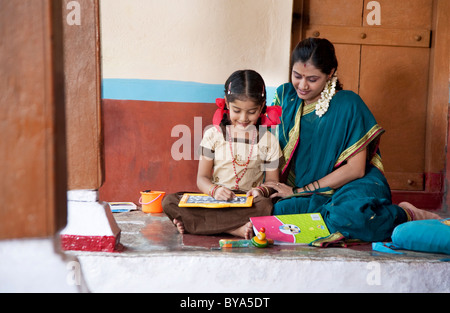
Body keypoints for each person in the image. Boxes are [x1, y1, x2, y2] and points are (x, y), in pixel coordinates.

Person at [263, 38, 441, 242]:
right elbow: (268, 144)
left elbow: (356, 169)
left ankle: (406, 214)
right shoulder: (285, 95)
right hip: (300, 189)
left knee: (350, 216)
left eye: (312, 79)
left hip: (350, 185)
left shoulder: (348, 103)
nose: (302, 85)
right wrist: (274, 186)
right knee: (275, 212)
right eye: (297, 76)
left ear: (329, 74)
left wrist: (299, 191)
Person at [162, 70, 282, 239]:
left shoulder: (269, 141)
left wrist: (261, 191)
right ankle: (235, 230)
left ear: (262, 107)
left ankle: (197, 225)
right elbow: (201, 178)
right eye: (237, 110)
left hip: (248, 202)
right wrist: (214, 190)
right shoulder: (212, 135)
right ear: (226, 103)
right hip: (215, 200)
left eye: (251, 111)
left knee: (267, 206)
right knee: (170, 201)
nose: (243, 118)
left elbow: (272, 182)